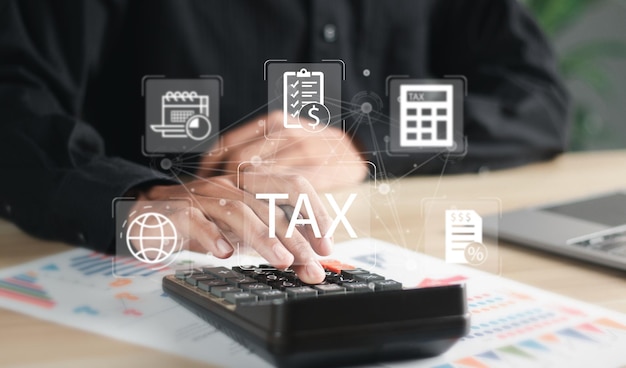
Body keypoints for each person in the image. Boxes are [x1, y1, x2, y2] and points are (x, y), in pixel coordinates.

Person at [0, 0, 569, 283]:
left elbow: (534, 97)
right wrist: (138, 194)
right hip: (156, 266)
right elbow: (13, 94)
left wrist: (365, 144)